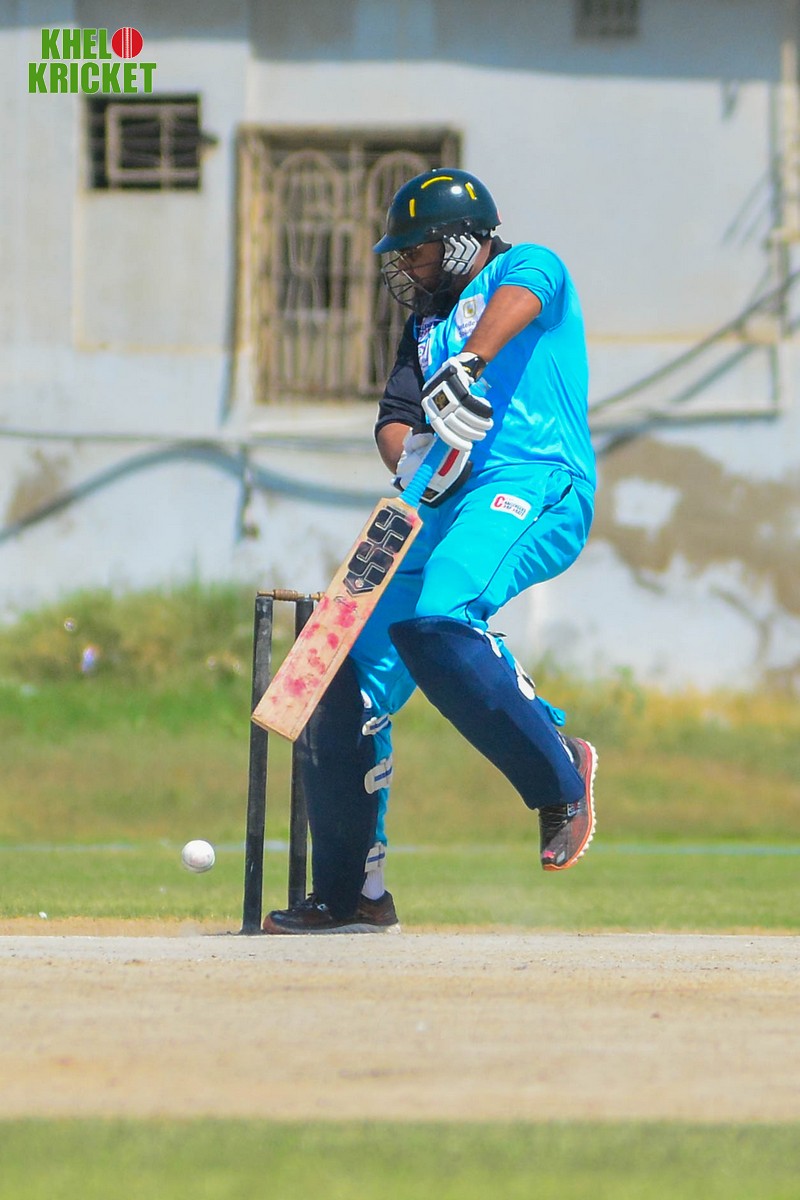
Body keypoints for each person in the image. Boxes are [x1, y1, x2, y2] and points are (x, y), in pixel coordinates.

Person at [262, 167, 597, 934]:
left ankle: (557, 768)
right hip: (429, 502)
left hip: (531, 479)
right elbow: (396, 419)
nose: (408, 268)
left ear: (460, 243)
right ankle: (353, 896)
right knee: (324, 670)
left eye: (416, 252)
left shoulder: (526, 267)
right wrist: (412, 456)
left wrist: (469, 365)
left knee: (443, 615)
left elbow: (527, 295)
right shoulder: (423, 328)